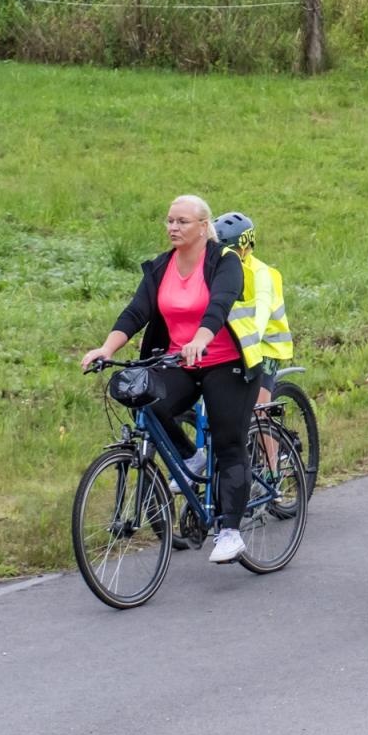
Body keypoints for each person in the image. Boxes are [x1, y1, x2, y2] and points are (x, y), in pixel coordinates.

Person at [80, 195, 261, 564]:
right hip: (181, 358)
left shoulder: (223, 262)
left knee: (228, 443)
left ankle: (229, 531)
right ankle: (189, 457)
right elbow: (136, 311)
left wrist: (202, 338)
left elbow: (220, 303)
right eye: (169, 221)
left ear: (202, 226)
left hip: (227, 361)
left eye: (182, 222)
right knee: (146, 400)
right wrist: (106, 348)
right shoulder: (162, 266)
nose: (173, 228)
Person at [212, 211, 293, 405]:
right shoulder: (216, 269)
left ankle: (267, 432)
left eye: (227, 250)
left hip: (265, 344)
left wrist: (249, 342)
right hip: (234, 342)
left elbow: (262, 312)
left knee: (258, 408)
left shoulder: (261, 273)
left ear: (244, 248)